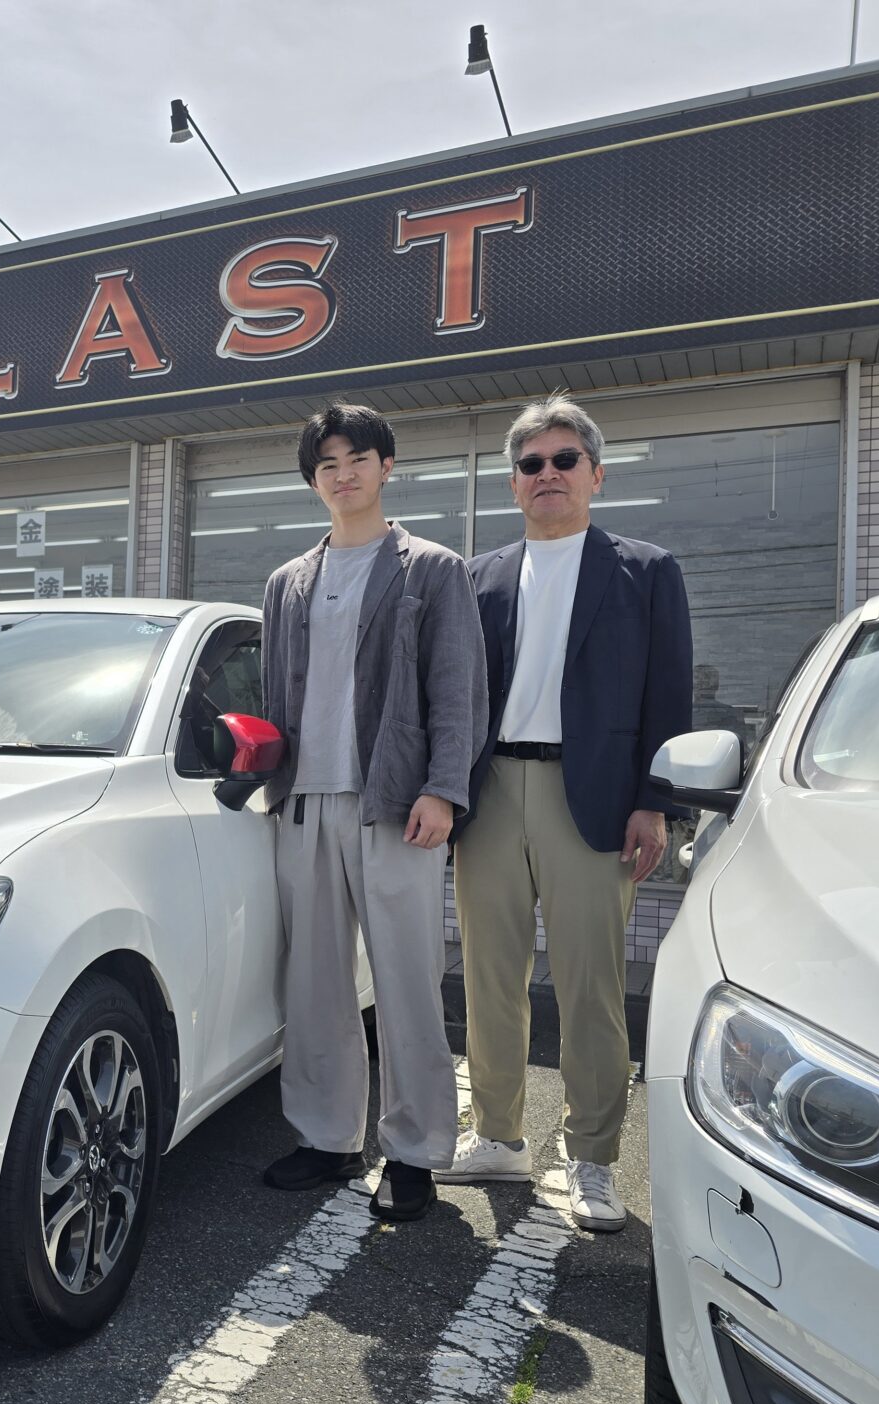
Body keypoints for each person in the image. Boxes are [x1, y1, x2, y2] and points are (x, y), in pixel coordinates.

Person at [438, 395, 692, 1232]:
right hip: (491, 792)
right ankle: (498, 1135)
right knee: (489, 976)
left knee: (590, 986)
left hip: (594, 795)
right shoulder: (479, 577)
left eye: (564, 460)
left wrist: (655, 802)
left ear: (595, 474)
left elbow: (668, 695)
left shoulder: (645, 571)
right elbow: (455, 695)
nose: (547, 474)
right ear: (514, 483)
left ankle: (593, 1158)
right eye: (531, 464)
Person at [258, 403, 487, 1222]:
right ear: (313, 480)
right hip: (304, 801)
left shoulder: (432, 568)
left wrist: (444, 788)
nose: (343, 474)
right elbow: (275, 695)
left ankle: (416, 1150)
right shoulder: (288, 582)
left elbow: (456, 688)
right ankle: (327, 1137)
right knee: (315, 982)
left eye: (357, 458)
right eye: (327, 464)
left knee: (407, 982)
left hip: (395, 803)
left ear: (387, 466)